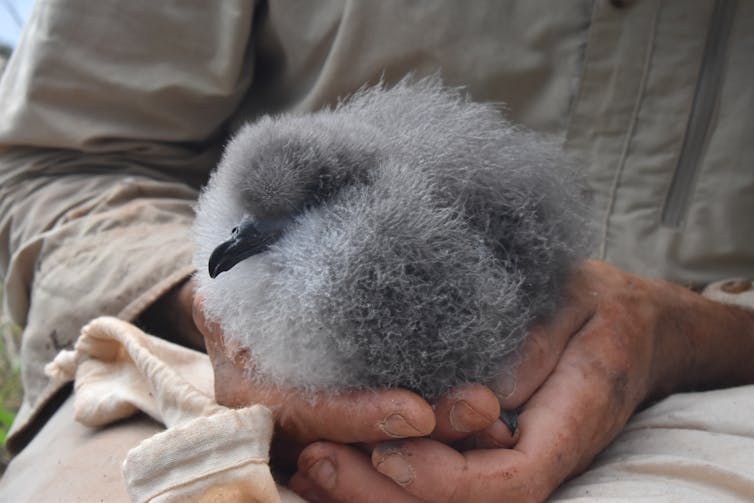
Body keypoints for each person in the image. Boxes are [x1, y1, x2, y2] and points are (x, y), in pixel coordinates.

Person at [0, 0, 753, 501]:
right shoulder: (270, 220)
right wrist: (197, 303)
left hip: (719, 387)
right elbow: (59, 165)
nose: (235, 247)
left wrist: (694, 332)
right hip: (187, 353)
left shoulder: (403, 246)